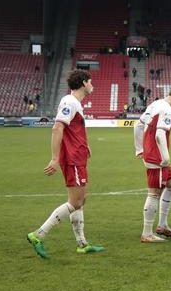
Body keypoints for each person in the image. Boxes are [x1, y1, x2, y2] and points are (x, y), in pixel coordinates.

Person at [26, 70, 104, 258]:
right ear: (84, 83)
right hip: (72, 159)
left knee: (81, 199)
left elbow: (72, 130)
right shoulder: (70, 102)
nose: (92, 85)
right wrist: (54, 158)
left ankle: (82, 243)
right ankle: (38, 235)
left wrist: (85, 146)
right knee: (75, 201)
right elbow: (57, 127)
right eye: (90, 82)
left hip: (78, 156)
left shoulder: (75, 103)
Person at [134, 86, 171, 243]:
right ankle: (147, 233)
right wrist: (165, 157)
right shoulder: (168, 110)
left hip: (151, 152)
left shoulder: (155, 104)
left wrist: (139, 149)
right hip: (157, 156)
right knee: (154, 193)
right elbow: (160, 133)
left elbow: (137, 126)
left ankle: (162, 225)